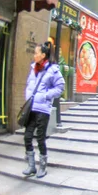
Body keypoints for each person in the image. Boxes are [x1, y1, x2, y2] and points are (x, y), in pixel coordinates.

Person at [23, 41, 64, 178]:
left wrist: (46, 96)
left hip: (43, 109)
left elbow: (60, 87)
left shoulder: (53, 70)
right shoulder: (33, 68)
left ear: (43, 55)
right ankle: (31, 166)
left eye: (36, 53)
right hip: (32, 108)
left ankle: (43, 166)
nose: (34, 55)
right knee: (27, 136)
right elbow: (29, 85)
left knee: (40, 138)